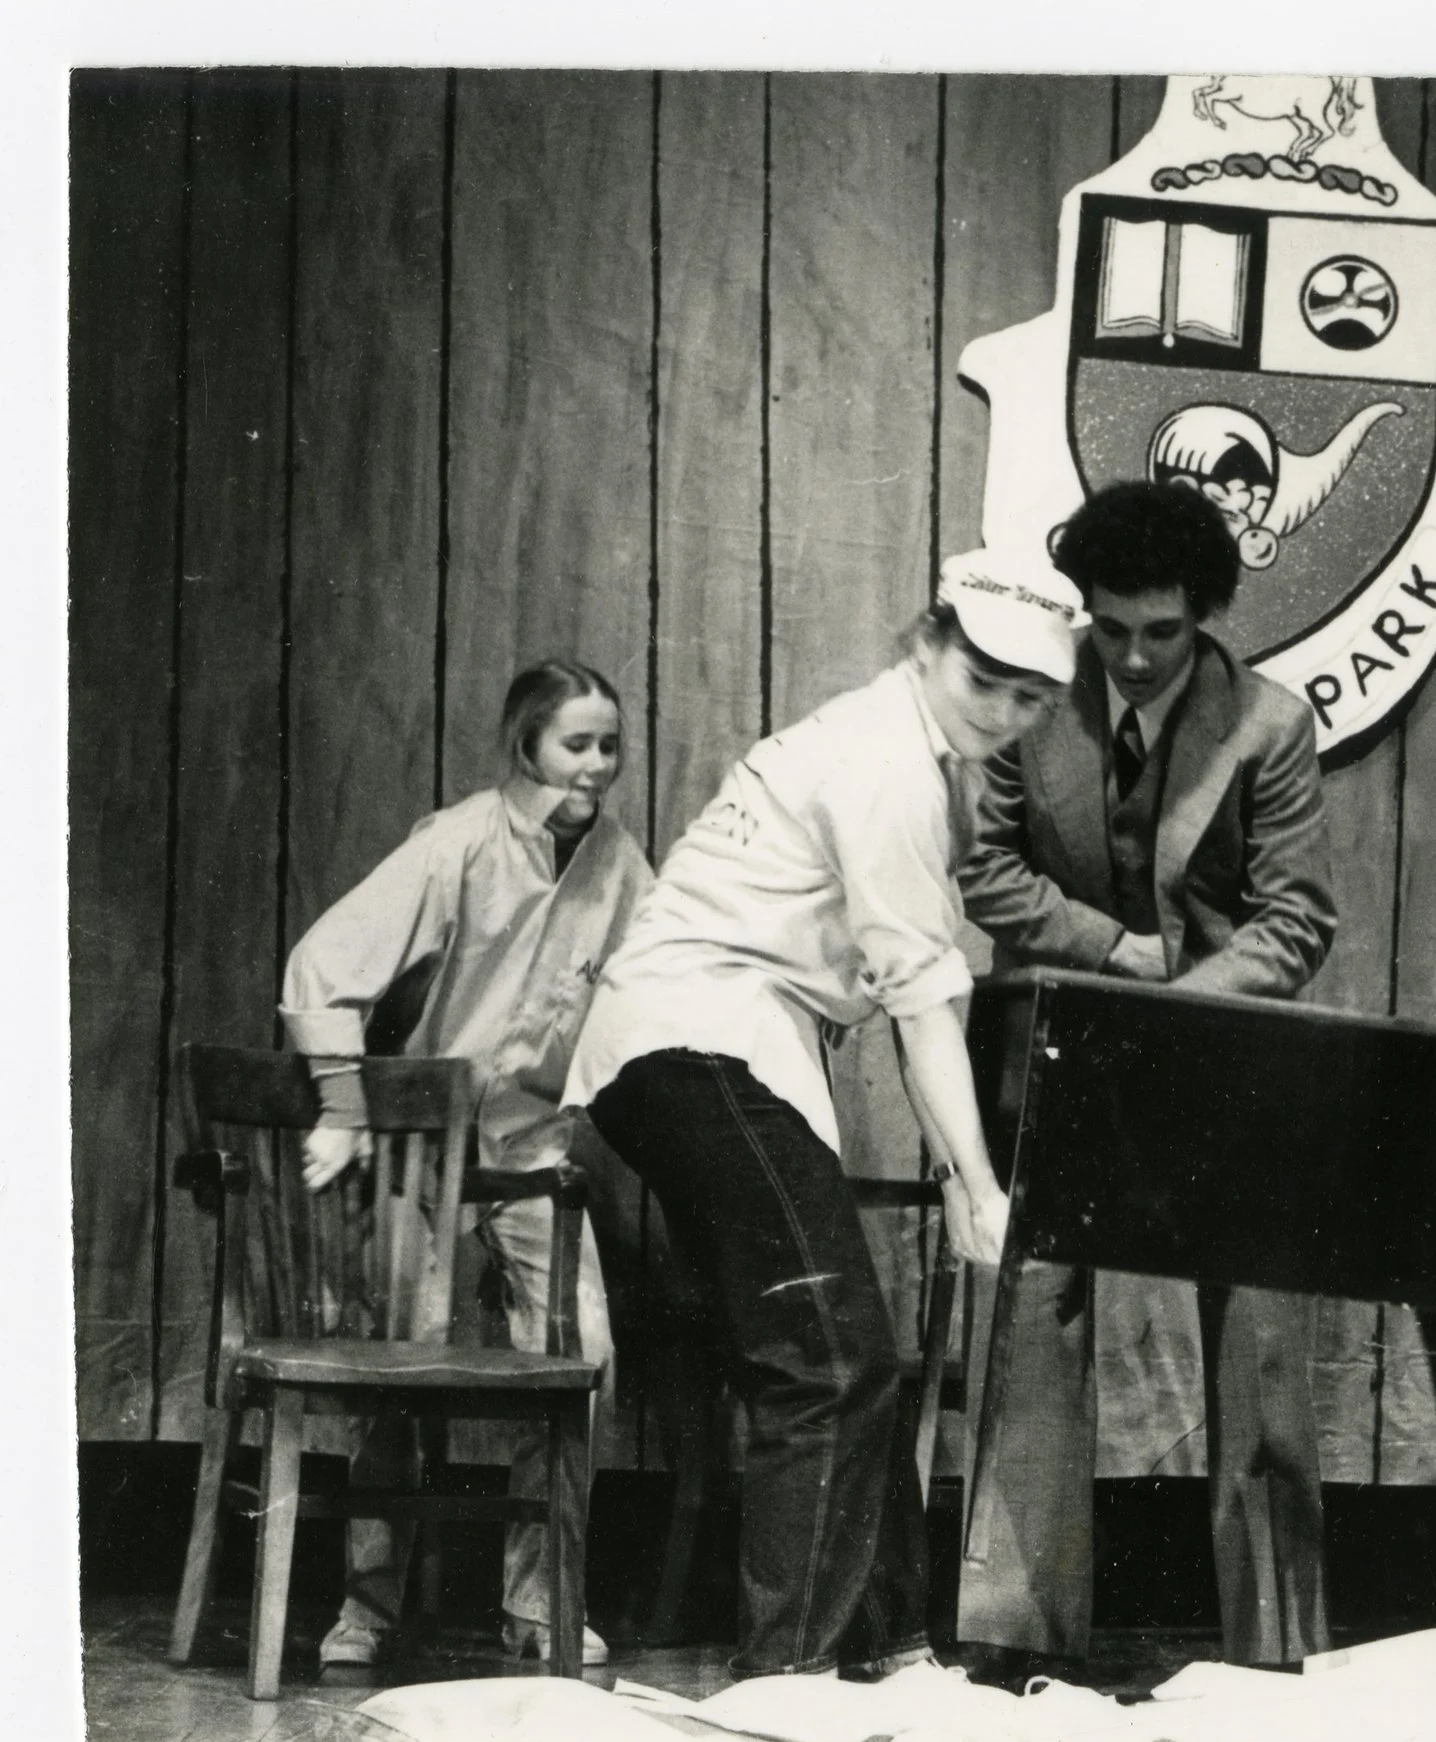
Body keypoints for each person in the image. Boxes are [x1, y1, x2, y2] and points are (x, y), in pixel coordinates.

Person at [564, 549, 1079, 1680]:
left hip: (712, 1046)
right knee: (831, 1362)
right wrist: (979, 1189)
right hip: (694, 1039)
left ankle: (894, 1653)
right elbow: (923, 1005)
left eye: (1030, 697)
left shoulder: (907, 748)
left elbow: (917, 986)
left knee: (848, 1357)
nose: (1001, 712)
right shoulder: (888, 766)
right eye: (981, 679)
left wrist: (958, 1179)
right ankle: (785, 1683)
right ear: (926, 642)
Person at [954, 479, 1338, 1673]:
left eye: (1160, 633)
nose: (1128, 654)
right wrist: (1109, 952)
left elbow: (1293, 924)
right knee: (1028, 1324)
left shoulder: (1271, 724)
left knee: (1262, 1344)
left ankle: (1273, 1657)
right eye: (1108, 626)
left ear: (1207, 616)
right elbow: (985, 874)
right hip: (1059, 1047)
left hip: (1226, 1058)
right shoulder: (1030, 707)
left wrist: (1169, 1014)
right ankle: (1012, 1645)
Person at [281, 659, 653, 1669]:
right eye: (575, 743)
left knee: (585, 1362)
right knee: (397, 1363)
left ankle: (544, 1602)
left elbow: (660, 977)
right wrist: (349, 1107)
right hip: (421, 1150)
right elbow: (323, 965)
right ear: (526, 745)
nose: (594, 766)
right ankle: (368, 1609)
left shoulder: (620, 864)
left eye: (609, 745)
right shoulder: (456, 846)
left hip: (533, 1150)